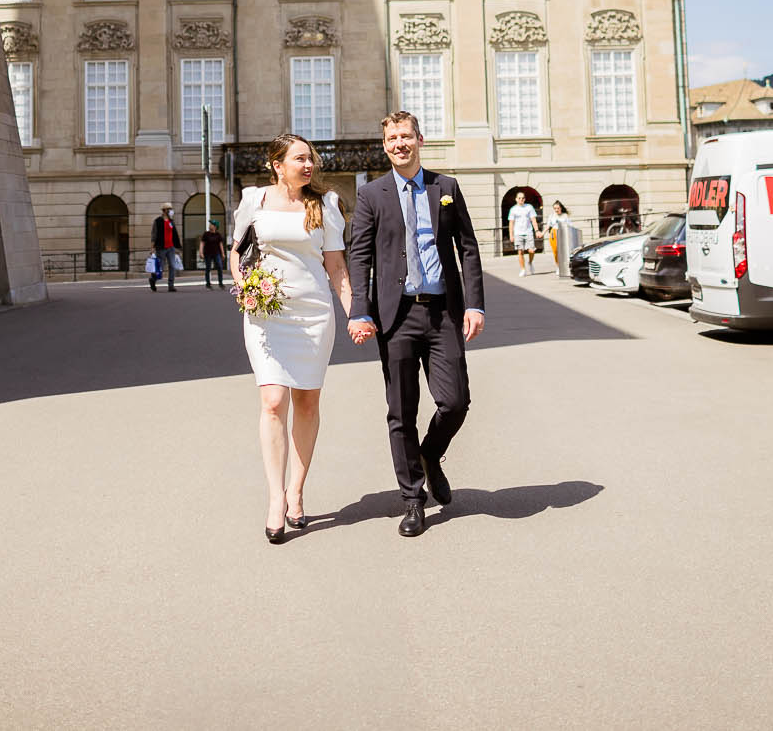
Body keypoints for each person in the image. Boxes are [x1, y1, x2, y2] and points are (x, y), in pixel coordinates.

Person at [345, 110, 485, 538]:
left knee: (455, 401)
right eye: (391, 139)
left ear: (420, 140)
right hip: (396, 316)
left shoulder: (446, 188)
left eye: (406, 136)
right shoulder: (372, 194)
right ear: (384, 145)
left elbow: (469, 249)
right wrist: (360, 310)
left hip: (442, 311)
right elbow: (360, 256)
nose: (399, 144)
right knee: (401, 410)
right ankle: (412, 499)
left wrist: (474, 305)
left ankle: (429, 454)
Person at [230, 134, 351, 544]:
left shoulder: (326, 204)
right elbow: (237, 250)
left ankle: (297, 489)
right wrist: (244, 283)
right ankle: (276, 499)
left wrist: (358, 314)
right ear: (277, 165)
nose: (309, 165)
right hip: (266, 314)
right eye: (300, 159)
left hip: (314, 314)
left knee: (306, 401)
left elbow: (335, 266)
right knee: (273, 400)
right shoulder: (254, 201)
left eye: (311, 159)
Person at [506, 190, 541, 276]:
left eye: (523, 198)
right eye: (519, 198)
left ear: (525, 199)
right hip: (518, 233)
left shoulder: (529, 207)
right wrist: (511, 235)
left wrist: (536, 230)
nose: (521, 199)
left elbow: (533, 220)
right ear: (516, 199)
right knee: (520, 251)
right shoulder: (513, 209)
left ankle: (530, 262)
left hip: (528, 232)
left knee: (531, 250)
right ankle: (523, 269)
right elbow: (511, 223)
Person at [150, 203, 181, 291]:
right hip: (161, 247)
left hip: (171, 247)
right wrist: (152, 247)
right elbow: (154, 234)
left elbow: (175, 234)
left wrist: (177, 246)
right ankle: (153, 279)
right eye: (169, 209)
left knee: (172, 266)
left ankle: (171, 285)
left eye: (171, 209)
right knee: (161, 268)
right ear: (164, 210)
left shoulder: (171, 221)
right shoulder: (158, 221)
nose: (171, 211)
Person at [199, 220, 227, 290]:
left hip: (216, 253)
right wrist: (201, 252)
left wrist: (223, 253)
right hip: (207, 253)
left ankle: (220, 283)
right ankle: (208, 284)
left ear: (215, 227)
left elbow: (221, 245)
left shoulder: (218, 235)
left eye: (211, 224)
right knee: (208, 268)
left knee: (220, 267)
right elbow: (202, 243)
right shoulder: (206, 234)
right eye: (210, 224)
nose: (210, 225)